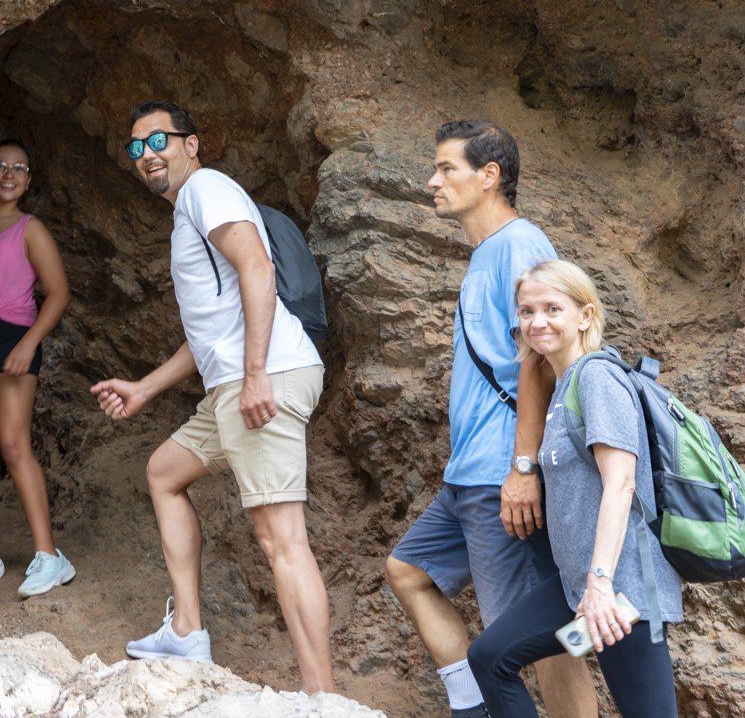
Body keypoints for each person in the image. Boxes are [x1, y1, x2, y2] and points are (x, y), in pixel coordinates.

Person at [91, 101, 333, 693]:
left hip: (266, 374)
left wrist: (254, 375)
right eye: (135, 147)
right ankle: (188, 632)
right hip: (236, 378)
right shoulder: (187, 214)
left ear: (191, 145)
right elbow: (209, 333)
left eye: (158, 142)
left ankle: (324, 698)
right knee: (164, 472)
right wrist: (144, 388)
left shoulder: (207, 190)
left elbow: (256, 269)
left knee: (282, 540)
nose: (146, 155)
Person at [383, 121, 596, 718]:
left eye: (446, 168)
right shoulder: (489, 253)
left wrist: (524, 468)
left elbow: (543, 362)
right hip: (470, 474)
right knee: (407, 570)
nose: (433, 181)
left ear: (489, 176)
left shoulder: (520, 246)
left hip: (503, 476)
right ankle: (472, 707)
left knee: (544, 637)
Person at [467, 259, 682, 716]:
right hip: (577, 589)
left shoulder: (597, 377)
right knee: (490, 657)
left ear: (585, 316)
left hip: (623, 592)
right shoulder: (563, 386)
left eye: (552, 308)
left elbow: (621, 483)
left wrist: (601, 584)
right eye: (526, 311)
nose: (537, 321)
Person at [0, 139, 75, 598]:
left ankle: (50, 556)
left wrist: (28, 344)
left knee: (12, 444)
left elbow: (59, 293)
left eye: (19, 168)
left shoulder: (29, 228)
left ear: (28, 178)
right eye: (0, 166)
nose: (9, 174)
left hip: (13, 337)